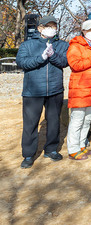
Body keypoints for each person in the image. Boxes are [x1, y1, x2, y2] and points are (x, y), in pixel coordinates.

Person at [16, 15, 69, 168]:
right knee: (30, 124)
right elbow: (21, 63)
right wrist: (41, 57)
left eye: (53, 26)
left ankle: (51, 149)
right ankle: (28, 154)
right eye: (47, 26)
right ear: (39, 28)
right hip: (33, 91)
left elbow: (64, 62)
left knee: (53, 121)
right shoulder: (27, 45)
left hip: (55, 89)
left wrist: (53, 56)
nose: (51, 29)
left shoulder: (62, 45)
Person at [65, 20, 91, 161]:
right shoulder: (75, 46)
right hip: (80, 88)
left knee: (87, 120)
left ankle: (82, 145)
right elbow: (76, 65)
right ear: (83, 31)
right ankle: (73, 149)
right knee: (77, 120)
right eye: (90, 29)